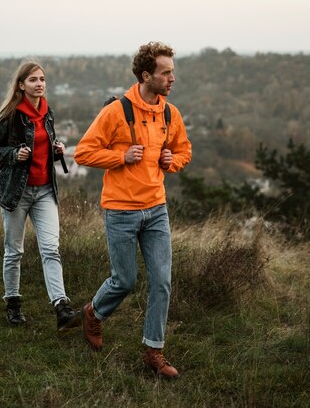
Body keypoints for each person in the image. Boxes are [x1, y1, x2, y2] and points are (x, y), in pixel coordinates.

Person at [74, 42, 192, 379]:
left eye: (172, 71)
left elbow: (182, 151)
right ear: (146, 75)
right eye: (165, 72)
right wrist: (120, 157)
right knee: (124, 281)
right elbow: (83, 153)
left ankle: (153, 350)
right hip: (121, 211)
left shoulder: (170, 114)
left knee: (162, 282)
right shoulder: (116, 112)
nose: (172, 78)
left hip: (156, 210)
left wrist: (173, 161)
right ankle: (94, 314)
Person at [0, 59, 80, 332]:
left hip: (46, 190)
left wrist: (56, 149)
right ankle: (13, 303)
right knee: (14, 251)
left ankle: (61, 307)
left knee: (51, 249)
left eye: (43, 79)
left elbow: (45, 145)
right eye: (34, 80)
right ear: (21, 85)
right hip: (17, 193)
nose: (40, 84)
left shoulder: (48, 113)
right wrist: (13, 154)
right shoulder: (10, 114)